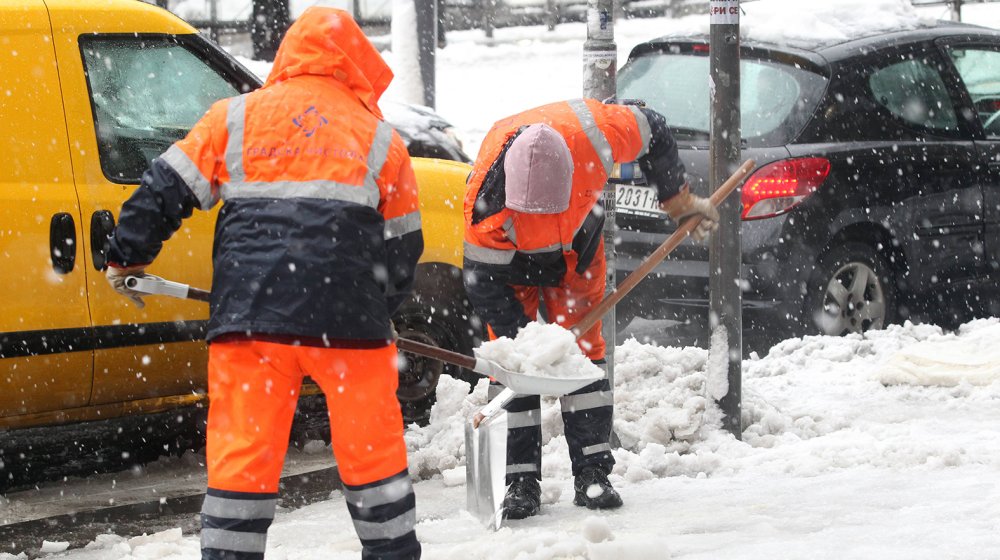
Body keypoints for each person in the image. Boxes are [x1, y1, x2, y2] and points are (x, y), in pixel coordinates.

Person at [103, 9, 423, 560]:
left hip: (249, 321)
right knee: (373, 457)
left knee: (242, 460)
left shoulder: (233, 119)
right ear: (356, 67)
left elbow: (164, 188)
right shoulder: (382, 141)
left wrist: (126, 254)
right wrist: (380, 307)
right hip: (351, 328)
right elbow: (403, 249)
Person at [462, 99, 718, 519]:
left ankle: (593, 475)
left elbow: (653, 127)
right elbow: (481, 285)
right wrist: (526, 348)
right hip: (509, 265)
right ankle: (520, 482)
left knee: (583, 356)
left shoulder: (597, 135)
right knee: (511, 366)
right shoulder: (483, 206)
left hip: (576, 255)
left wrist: (677, 198)